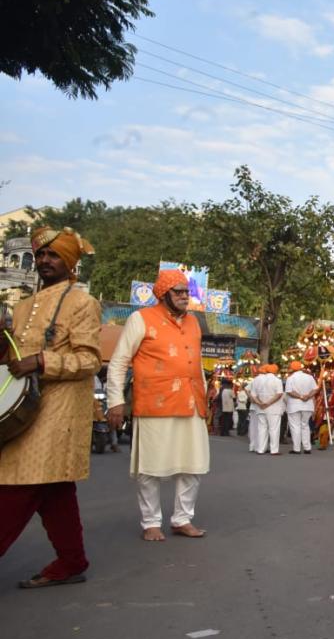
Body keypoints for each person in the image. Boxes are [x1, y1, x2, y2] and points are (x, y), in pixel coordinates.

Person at [0, 227, 100, 588]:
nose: (44, 260)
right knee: (56, 491)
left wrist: (41, 362)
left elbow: (89, 360)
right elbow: (13, 359)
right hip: (22, 410)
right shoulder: (23, 306)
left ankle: (71, 562)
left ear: (69, 261)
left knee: (16, 487)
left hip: (57, 414)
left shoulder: (83, 303)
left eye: (53, 254)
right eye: (40, 254)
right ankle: (72, 562)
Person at [106, 268, 210, 541]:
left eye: (187, 292)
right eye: (179, 292)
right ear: (163, 294)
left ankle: (182, 519)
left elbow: (197, 365)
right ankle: (151, 522)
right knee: (149, 467)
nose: (185, 297)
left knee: (193, 465)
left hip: (191, 401)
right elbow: (118, 362)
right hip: (155, 402)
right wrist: (115, 401)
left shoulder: (194, 322)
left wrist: (205, 396)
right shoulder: (140, 319)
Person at [284, 360, 318, 455]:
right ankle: (307, 448)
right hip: (307, 405)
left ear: (292, 368)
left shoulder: (290, 378)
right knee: (305, 425)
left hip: (294, 405)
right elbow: (315, 389)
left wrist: (300, 396)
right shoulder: (309, 377)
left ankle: (297, 449)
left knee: (295, 427)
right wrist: (307, 396)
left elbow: (289, 391)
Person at [249, 363, 284, 455]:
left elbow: (253, 395)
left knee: (261, 428)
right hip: (274, 409)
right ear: (275, 371)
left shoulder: (257, 380)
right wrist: (268, 403)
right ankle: (274, 450)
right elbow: (279, 394)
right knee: (274, 429)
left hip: (260, 408)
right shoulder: (277, 380)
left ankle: (261, 449)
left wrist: (259, 403)